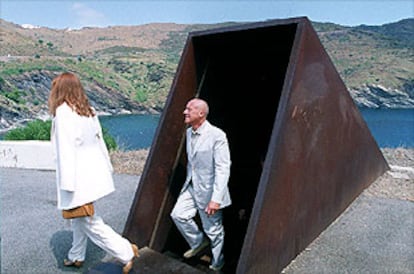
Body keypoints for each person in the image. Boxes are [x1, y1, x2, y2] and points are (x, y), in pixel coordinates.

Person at [48, 72, 139, 274]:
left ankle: (126, 251)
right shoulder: (88, 110)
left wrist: (67, 186)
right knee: (79, 218)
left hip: (77, 179)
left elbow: (65, 151)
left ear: (60, 89)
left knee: (90, 221)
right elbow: (100, 143)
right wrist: (107, 168)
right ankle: (76, 256)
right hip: (92, 176)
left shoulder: (63, 112)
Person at [170, 98, 231, 271]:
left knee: (213, 230)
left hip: (210, 191)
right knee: (178, 215)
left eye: (189, 109)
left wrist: (216, 199)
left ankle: (217, 264)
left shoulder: (217, 135)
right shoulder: (189, 132)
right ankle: (198, 242)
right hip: (192, 186)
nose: (185, 112)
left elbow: (223, 168)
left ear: (201, 114)